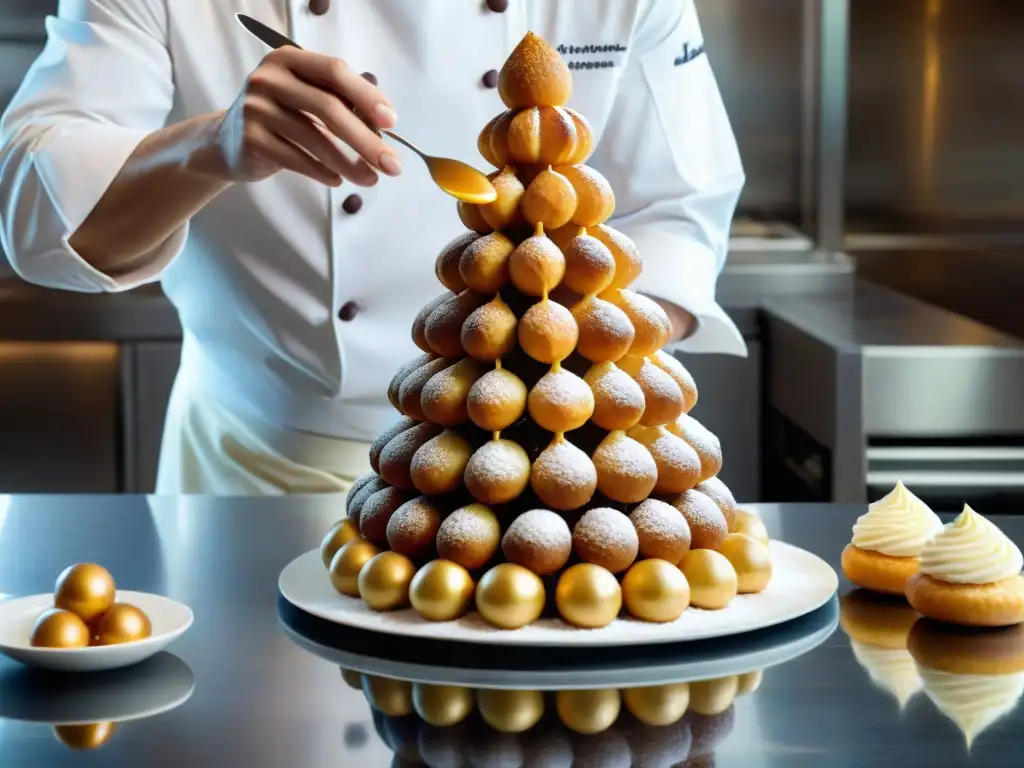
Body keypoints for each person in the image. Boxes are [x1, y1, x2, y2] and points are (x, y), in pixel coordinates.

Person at [0, 0, 745, 495]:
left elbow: (678, 211)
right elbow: (34, 217)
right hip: (259, 471)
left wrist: (550, 376)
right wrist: (209, 148)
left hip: (543, 476)